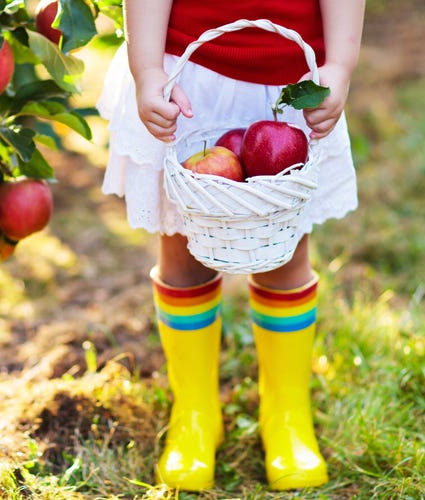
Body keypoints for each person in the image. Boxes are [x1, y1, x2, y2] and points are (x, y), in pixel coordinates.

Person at [97, 0, 365, 492]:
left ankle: (286, 417)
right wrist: (147, 68)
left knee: (284, 252)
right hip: (188, 76)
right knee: (183, 249)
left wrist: (341, 65)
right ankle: (195, 416)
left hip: (290, 84)